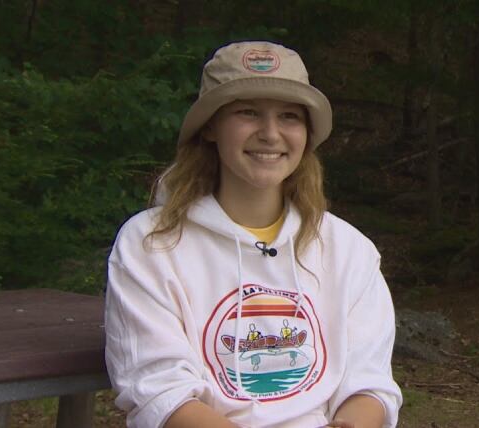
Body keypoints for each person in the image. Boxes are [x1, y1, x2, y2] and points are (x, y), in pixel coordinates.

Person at [104, 41, 402, 428]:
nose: (270, 133)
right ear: (210, 126)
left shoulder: (348, 250)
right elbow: (160, 393)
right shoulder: (152, 244)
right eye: (248, 113)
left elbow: (369, 384)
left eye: (289, 116)